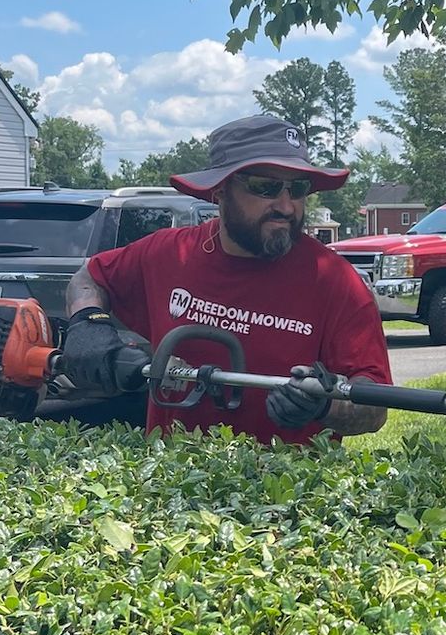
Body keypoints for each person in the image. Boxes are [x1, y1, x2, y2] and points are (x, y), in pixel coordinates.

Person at [58, 114, 390, 443]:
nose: (287, 207)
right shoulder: (167, 253)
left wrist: (326, 405)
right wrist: (88, 322)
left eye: (298, 189)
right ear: (220, 191)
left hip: (286, 491)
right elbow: (88, 278)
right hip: (172, 483)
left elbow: (376, 406)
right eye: (266, 187)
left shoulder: (335, 280)